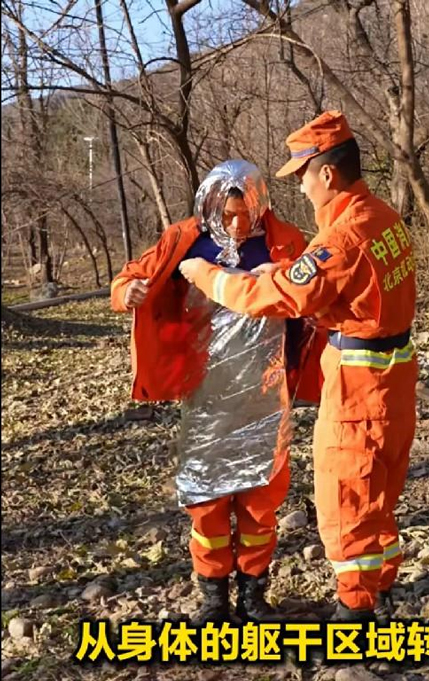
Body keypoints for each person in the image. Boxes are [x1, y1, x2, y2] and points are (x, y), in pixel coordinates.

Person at [179, 112, 418, 622]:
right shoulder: (381, 216)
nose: (302, 187)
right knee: (377, 495)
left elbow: (274, 296)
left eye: (303, 175)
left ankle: (355, 614)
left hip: (358, 391)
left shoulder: (343, 236)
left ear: (326, 173)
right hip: (394, 382)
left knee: (345, 499)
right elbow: (338, 280)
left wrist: (206, 276)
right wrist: (286, 270)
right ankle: (380, 589)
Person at [111, 159, 321, 622]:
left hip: (265, 397)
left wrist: (283, 274)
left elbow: (316, 289)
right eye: (227, 215)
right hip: (206, 396)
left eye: (246, 214)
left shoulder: (284, 240)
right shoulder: (184, 239)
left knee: (261, 501)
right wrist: (127, 292)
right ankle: (213, 596)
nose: (237, 224)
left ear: (260, 205)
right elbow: (131, 275)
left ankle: (253, 593)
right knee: (206, 502)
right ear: (209, 206)